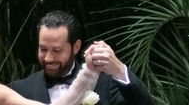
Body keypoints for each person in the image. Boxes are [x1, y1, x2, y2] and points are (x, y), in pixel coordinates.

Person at [9, 11, 154, 105]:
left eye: (57, 50)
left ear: (76, 47)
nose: (48, 58)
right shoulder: (19, 90)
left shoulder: (106, 85)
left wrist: (119, 71)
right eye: (43, 49)